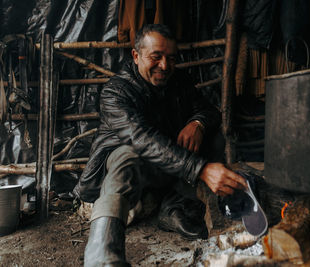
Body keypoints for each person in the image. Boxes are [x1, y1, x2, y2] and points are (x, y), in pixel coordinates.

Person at [74, 24, 247, 267]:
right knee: (126, 155)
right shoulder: (116, 92)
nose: (165, 66)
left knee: (214, 137)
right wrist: (202, 169)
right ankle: (102, 257)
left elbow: (208, 110)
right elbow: (142, 139)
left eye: (171, 58)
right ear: (136, 56)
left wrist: (197, 123)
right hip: (123, 182)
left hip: (163, 174)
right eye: (156, 57)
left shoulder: (178, 82)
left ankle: (173, 206)